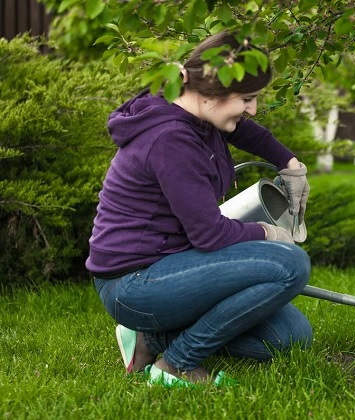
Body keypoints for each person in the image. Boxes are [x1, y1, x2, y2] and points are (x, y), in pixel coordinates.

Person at [87, 30, 312, 387]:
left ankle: (152, 338)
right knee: (291, 265)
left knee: (288, 338)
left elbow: (243, 131)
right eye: (247, 98)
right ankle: (175, 365)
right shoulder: (170, 139)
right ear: (214, 92)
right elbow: (210, 234)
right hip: (135, 283)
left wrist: (290, 163)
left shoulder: (193, 110)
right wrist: (269, 233)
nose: (252, 109)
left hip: (173, 265)